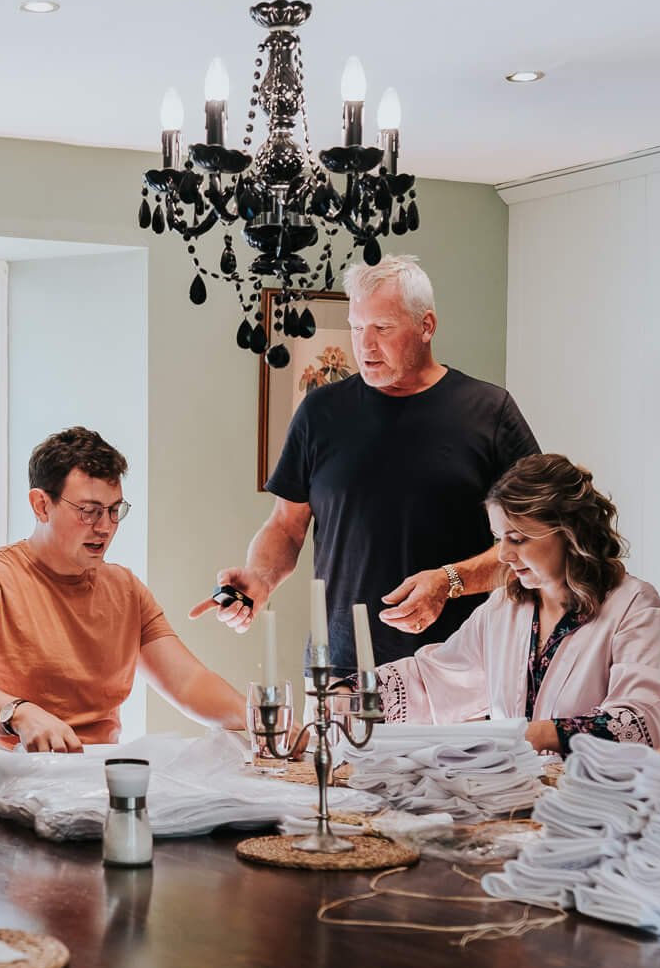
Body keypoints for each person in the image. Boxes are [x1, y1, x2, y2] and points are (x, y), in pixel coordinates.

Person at [194, 256, 538, 671]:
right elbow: (286, 525)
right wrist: (261, 578)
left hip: (464, 672)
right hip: (341, 671)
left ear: (426, 326)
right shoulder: (319, 412)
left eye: (383, 328)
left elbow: (536, 541)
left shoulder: (490, 411)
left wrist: (451, 581)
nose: (365, 345)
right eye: (357, 327)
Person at [0, 428, 247, 751]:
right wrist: (20, 712)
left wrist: (259, 719)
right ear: (41, 505)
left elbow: (188, 682)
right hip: (8, 777)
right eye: (89, 511)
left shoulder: (126, 590)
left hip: (97, 777)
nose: (105, 527)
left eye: (115, 511)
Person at [374, 454, 660, 751]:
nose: (503, 555)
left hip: (604, 800)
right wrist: (349, 692)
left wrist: (524, 735)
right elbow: (434, 680)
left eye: (518, 538)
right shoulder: (503, 609)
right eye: (500, 538)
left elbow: (641, 722)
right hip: (515, 801)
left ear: (570, 532)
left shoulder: (635, 609)